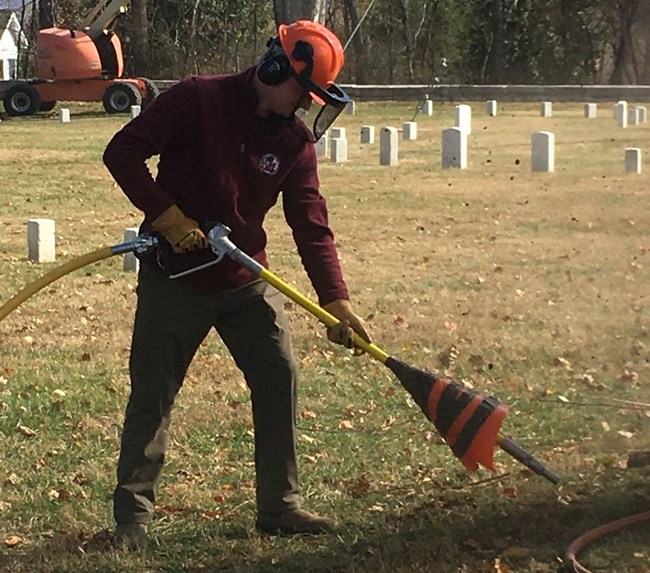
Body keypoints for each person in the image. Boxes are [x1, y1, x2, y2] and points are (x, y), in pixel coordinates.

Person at [102, 20, 370, 549]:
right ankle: (132, 518)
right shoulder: (196, 99)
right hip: (174, 280)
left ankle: (280, 506)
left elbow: (310, 221)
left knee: (278, 376)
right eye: (302, 91)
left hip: (246, 280)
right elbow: (122, 153)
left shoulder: (295, 141)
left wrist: (335, 299)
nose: (302, 106)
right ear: (274, 66)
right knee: (153, 395)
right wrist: (169, 217)